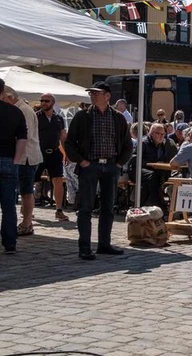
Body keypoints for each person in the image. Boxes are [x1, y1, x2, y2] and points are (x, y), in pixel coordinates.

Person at [63, 81, 133, 260]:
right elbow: (70, 143)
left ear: (107, 96)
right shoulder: (83, 116)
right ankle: (85, 247)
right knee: (86, 207)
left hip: (110, 166)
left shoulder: (118, 118)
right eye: (91, 94)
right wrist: (82, 161)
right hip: (90, 166)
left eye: (96, 93)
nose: (93, 96)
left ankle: (104, 244)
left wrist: (118, 164)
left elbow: (127, 145)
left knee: (108, 208)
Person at [2, 87, 42, 237]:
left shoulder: (22, 110)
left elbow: (25, 136)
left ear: (10, 97)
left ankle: (26, 223)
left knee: (26, 191)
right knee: (24, 191)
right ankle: (26, 222)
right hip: (24, 156)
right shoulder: (20, 109)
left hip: (26, 157)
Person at [0, 78, 27, 254]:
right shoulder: (15, 112)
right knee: (9, 205)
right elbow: (22, 140)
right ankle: (10, 243)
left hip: (8, 159)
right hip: (8, 159)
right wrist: (16, 160)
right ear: (3, 92)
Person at [36, 93, 68, 221]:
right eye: (42, 100)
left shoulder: (59, 118)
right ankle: (28, 209)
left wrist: (66, 154)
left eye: (46, 101)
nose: (43, 103)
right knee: (34, 180)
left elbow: (63, 137)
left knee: (58, 180)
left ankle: (59, 210)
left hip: (54, 152)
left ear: (53, 102)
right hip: (39, 152)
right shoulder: (36, 116)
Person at [140, 123, 178, 211]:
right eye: (159, 134)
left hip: (158, 170)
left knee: (170, 177)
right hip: (140, 170)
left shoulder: (164, 144)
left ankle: (170, 207)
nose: (161, 136)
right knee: (152, 177)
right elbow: (136, 160)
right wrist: (151, 163)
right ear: (152, 133)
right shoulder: (143, 143)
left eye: (163, 134)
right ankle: (157, 205)